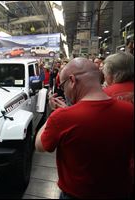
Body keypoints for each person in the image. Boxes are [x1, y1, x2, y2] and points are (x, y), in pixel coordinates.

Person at [35, 57, 133, 199]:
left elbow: (40, 146)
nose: (64, 91)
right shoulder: (129, 110)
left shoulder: (62, 118)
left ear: (72, 80)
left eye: (63, 86)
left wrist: (54, 115)